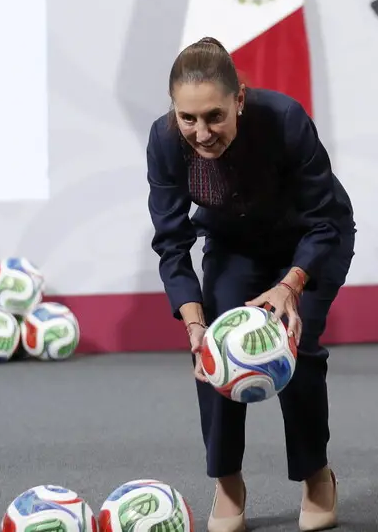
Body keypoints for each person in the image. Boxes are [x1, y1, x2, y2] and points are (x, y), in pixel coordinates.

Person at [145, 37, 356, 532]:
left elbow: (324, 220)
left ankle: (316, 474)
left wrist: (290, 285)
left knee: (296, 346)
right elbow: (172, 242)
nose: (201, 133)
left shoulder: (285, 119)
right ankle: (226, 481)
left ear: (239, 98)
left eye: (214, 116)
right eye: (188, 118)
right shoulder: (164, 140)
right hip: (234, 243)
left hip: (310, 240)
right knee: (215, 349)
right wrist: (195, 325)